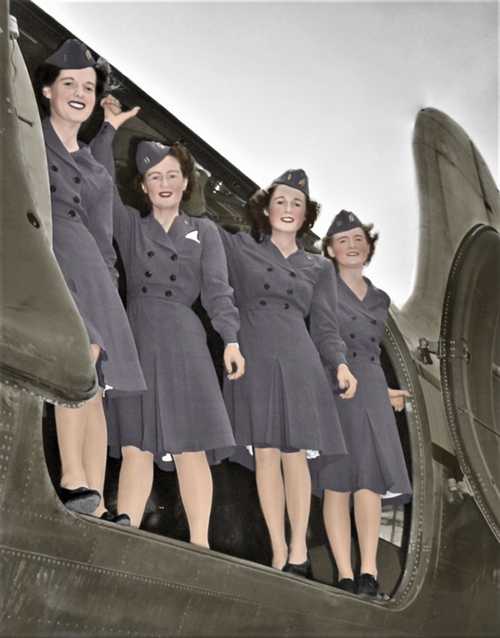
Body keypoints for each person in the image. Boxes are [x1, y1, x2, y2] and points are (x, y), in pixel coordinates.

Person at [93, 100, 245, 546]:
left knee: (189, 446)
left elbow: (219, 291)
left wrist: (231, 340)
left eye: (171, 175)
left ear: (184, 182)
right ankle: (128, 532)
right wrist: (107, 130)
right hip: (137, 335)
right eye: (154, 177)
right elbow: (100, 183)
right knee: (136, 444)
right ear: (143, 186)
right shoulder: (131, 226)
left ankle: (200, 542)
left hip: (185, 340)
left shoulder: (206, 232)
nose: (164, 183)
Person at [219, 171, 357, 575]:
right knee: (265, 453)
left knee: (294, 455)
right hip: (255, 354)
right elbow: (215, 283)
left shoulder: (319, 267)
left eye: (297, 204)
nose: (289, 209)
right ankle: (278, 549)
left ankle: (298, 549)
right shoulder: (238, 246)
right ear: (266, 207)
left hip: (299, 360)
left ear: (306, 216)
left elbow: (326, 326)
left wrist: (341, 364)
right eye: (281, 201)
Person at [35, 39, 146, 521]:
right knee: (83, 356)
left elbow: (104, 239)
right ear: (46, 90)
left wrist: (109, 284)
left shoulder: (96, 169)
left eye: (88, 86)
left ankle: (96, 499)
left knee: (98, 385)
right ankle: (72, 478)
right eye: (68, 84)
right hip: (50, 253)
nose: (79, 93)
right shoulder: (29, 139)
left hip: (92, 270)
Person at [312, 209, 412, 597]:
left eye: (358, 239)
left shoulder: (380, 298)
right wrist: (339, 366)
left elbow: (371, 352)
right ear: (331, 250)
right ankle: (344, 573)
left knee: (368, 482)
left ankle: (368, 571)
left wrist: (385, 390)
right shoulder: (324, 286)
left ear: (368, 247)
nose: (351, 246)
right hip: (335, 384)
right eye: (342, 241)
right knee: (337, 482)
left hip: (369, 385)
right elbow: (324, 332)